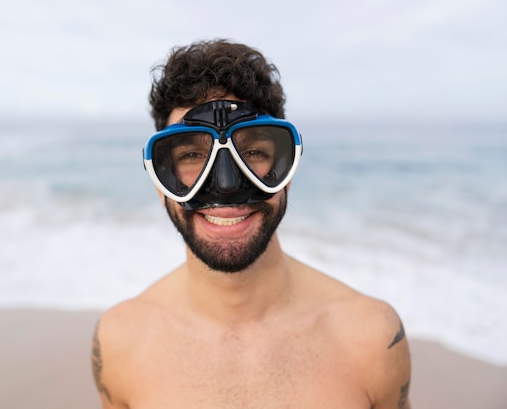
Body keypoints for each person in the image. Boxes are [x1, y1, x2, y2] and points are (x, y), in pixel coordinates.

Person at [92, 39, 411, 408]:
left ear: (287, 171)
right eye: (192, 154)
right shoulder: (120, 342)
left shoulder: (372, 338)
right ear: (160, 180)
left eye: (255, 152)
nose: (226, 185)